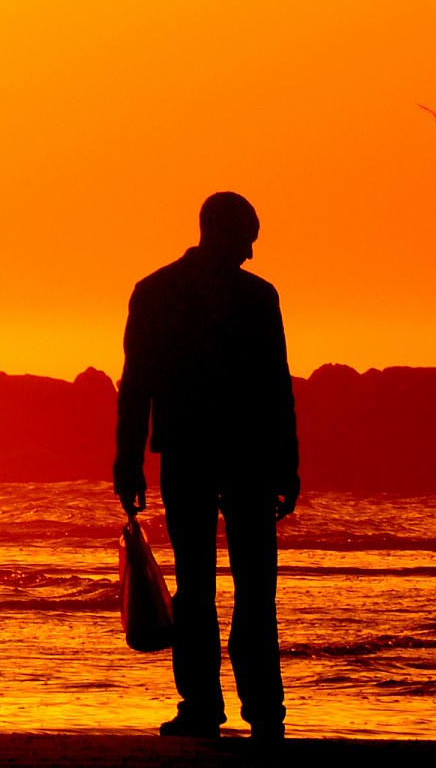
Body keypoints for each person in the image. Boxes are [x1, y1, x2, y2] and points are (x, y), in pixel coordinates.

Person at [114, 191, 300, 740]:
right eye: (247, 240)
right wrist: (287, 465)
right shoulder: (257, 298)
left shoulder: (155, 292)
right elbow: (275, 388)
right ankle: (262, 709)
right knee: (253, 585)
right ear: (223, 232)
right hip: (248, 455)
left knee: (197, 584)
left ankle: (202, 705)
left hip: (188, 451)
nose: (249, 252)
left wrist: (129, 462)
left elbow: (135, 387)